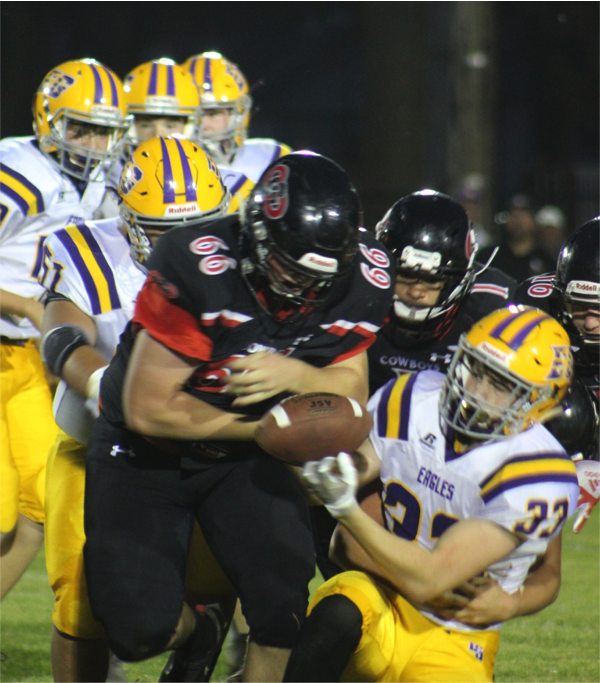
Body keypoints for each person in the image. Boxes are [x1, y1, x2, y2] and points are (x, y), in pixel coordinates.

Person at [82, 152, 394, 683]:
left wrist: (292, 371)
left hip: (243, 458)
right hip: (144, 452)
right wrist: (263, 429)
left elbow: (349, 391)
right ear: (257, 236)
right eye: (288, 269)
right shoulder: (194, 267)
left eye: (319, 277)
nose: (303, 289)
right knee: (138, 633)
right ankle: (200, 630)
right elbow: (149, 408)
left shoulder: (361, 280)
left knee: (282, 604)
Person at [283, 306, 579, 683]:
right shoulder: (412, 396)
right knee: (338, 609)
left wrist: (514, 601)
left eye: (501, 385)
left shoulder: (538, 472)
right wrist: (322, 467)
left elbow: (438, 579)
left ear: (538, 404)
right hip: (383, 598)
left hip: (458, 635)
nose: (476, 392)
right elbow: (343, 537)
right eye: (475, 369)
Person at [38, 136, 231, 683]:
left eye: (200, 225)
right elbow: (61, 338)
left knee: (225, 578)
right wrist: (105, 386)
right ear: (127, 219)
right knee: (81, 600)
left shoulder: (243, 258)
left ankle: (200, 633)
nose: (189, 244)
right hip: (101, 444)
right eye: (168, 231)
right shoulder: (88, 252)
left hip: (200, 445)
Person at [0, 58, 128, 606]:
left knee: (36, 503)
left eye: (103, 130)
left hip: (27, 360)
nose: (93, 142)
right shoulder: (18, 172)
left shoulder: (100, 178)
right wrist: (24, 304)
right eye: (81, 127)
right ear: (48, 119)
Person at [182, 52, 291, 180]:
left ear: (238, 116)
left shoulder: (270, 159)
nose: (202, 125)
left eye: (212, 114)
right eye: (193, 116)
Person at [479, 195, 554, 284]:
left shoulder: (546, 261)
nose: (518, 221)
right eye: (514, 215)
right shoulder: (489, 256)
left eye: (523, 216)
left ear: (534, 221)